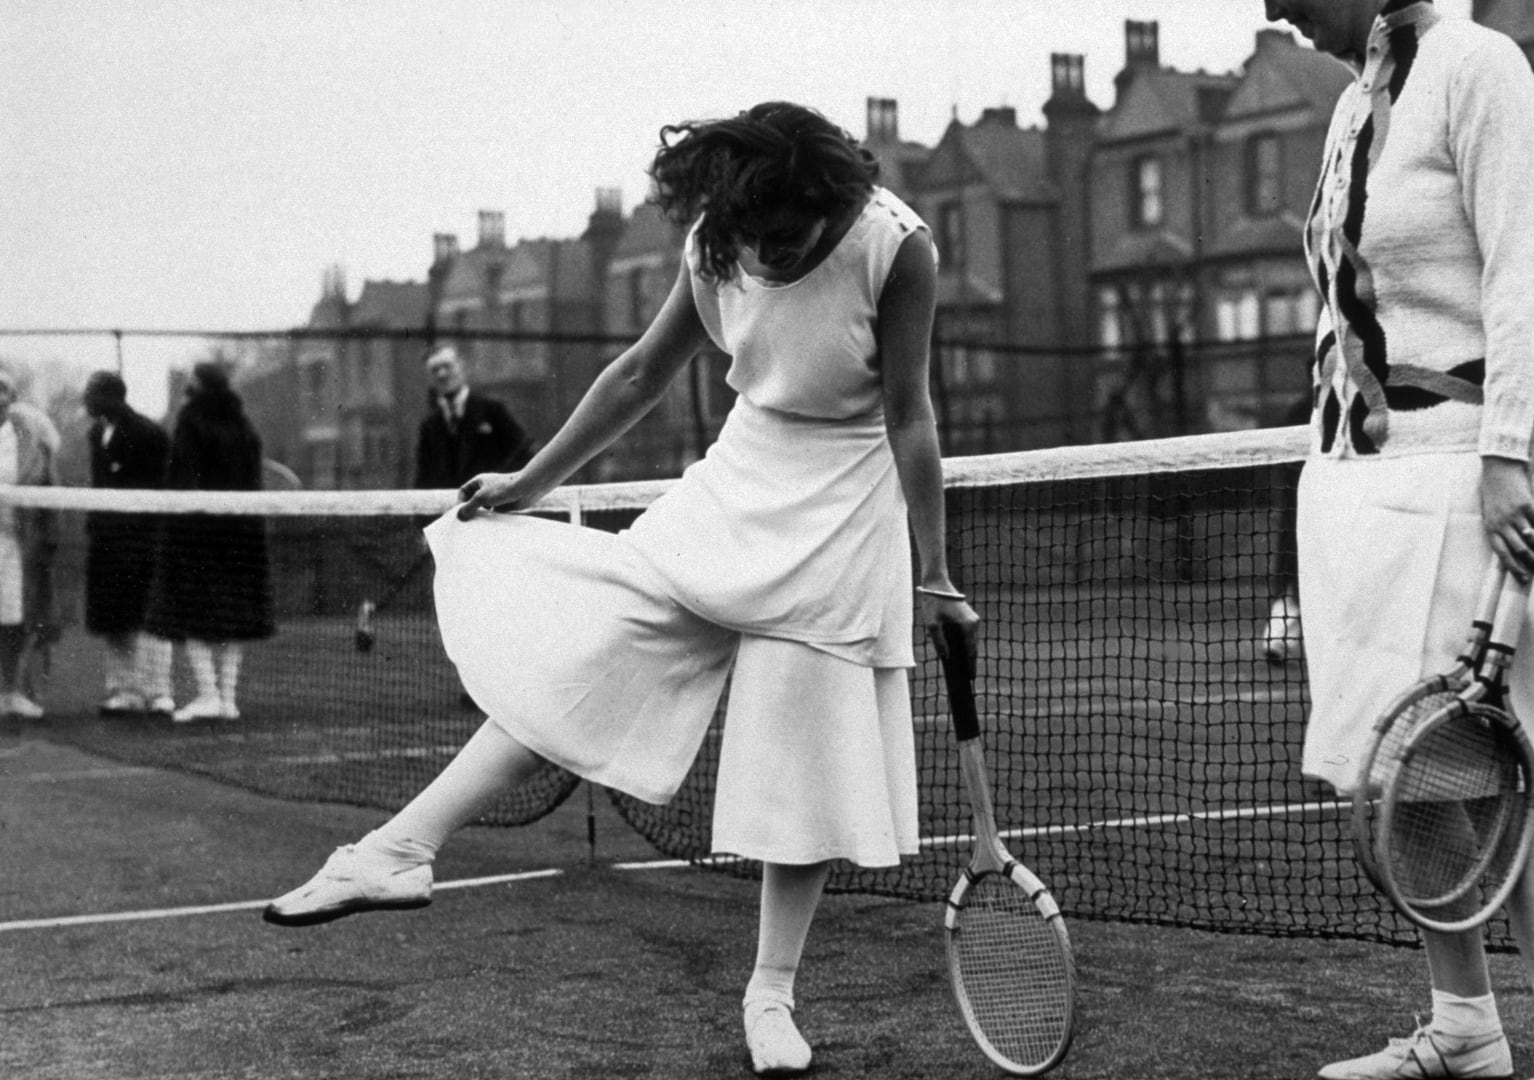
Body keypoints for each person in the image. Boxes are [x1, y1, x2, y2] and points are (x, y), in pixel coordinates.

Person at [264, 101, 975, 1078]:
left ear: (834, 204)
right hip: (744, 466)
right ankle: (400, 848)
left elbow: (911, 417)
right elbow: (641, 372)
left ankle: (770, 992)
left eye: (792, 237)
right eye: (757, 238)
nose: (773, 254)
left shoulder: (899, 251)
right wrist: (529, 483)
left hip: (849, 500)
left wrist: (934, 573)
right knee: (592, 653)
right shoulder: (713, 244)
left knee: (800, 762)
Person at [1261, 3, 1534, 1080]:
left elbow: (1519, 274)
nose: (1276, 10)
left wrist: (1505, 450)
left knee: (1502, 770)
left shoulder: (1480, 68)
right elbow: (1338, 322)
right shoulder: (1351, 107)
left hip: (1462, 469)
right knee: (1390, 767)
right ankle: (1465, 1025)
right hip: (1356, 486)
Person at [146, 363, 275, 723]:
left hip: (198, 537)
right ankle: (226, 699)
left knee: (193, 617)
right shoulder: (244, 424)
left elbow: (182, 477)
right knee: (230, 620)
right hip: (242, 536)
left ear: (198, 386)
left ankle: (209, 695)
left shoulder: (191, 420)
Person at [82, 371, 177, 717]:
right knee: (114, 621)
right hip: (107, 543)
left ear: (110, 396)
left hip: (142, 542)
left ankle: (159, 692)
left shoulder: (149, 434)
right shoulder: (95, 434)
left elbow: (161, 488)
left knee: (149, 619)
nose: (85, 401)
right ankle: (124, 690)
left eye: (90, 394)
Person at [0, 367, 62, 719]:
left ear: (11, 399)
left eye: (2, 391)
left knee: (13, 623)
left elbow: (49, 494)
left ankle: (12, 693)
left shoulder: (31, 443)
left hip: (16, 548)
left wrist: (45, 541)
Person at [412, 344, 532, 491]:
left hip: (490, 506)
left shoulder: (492, 411)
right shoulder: (429, 426)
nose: (441, 374)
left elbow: (524, 451)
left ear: (461, 367)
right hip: (448, 509)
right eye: (434, 370)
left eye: (447, 366)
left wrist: (498, 485)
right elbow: (423, 479)